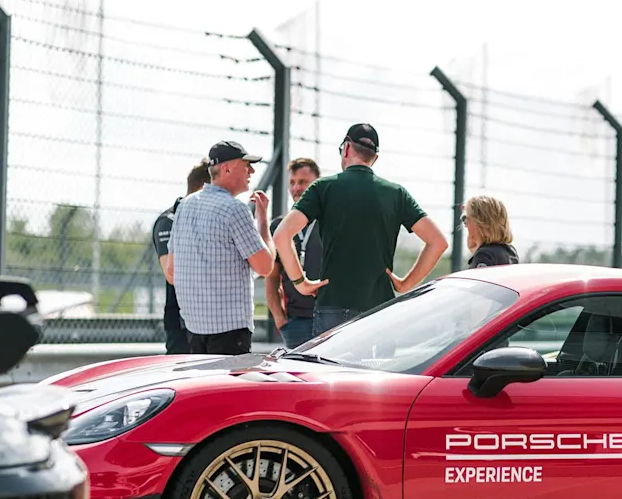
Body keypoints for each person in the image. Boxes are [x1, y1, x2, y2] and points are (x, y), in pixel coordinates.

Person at [272, 123, 447, 336]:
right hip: (380, 308)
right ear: (374, 158)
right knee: (372, 370)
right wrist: (405, 284)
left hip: (332, 306)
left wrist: (301, 283)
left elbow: (281, 235)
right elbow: (438, 242)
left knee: (329, 370)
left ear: (346, 148)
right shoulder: (396, 194)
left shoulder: (323, 188)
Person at [168, 140, 325, 355]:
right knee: (227, 388)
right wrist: (262, 221)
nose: (251, 170)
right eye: (246, 165)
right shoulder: (235, 209)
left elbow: (171, 270)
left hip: (194, 329)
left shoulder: (184, 206)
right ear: (227, 168)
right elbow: (265, 267)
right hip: (230, 331)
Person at [151, 158, 211, 353]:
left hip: (214, 322)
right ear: (204, 188)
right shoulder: (169, 220)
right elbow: (172, 273)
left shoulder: (211, 219)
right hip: (181, 324)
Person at [266, 157, 323, 348]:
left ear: (317, 184)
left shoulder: (330, 223)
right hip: (295, 323)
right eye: (292, 182)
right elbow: (271, 277)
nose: (296, 188)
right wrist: (279, 319)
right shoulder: (278, 226)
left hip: (330, 319)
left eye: (303, 182)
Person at [462, 195, 519, 268]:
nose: (465, 224)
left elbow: (478, 278)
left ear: (481, 223)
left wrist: (479, 255)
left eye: (466, 219)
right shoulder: (510, 252)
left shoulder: (484, 255)